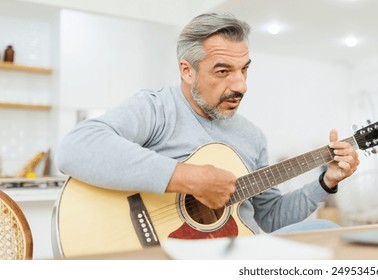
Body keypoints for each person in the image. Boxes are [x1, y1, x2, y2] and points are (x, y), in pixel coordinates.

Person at [54, 12, 359, 235]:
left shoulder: (252, 137)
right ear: (187, 71)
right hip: (169, 251)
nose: (241, 86)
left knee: (326, 231)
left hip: (235, 252)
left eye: (244, 70)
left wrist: (326, 182)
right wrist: (190, 179)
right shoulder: (157, 107)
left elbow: (267, 218)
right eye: (224, 71)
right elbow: (75, 148)